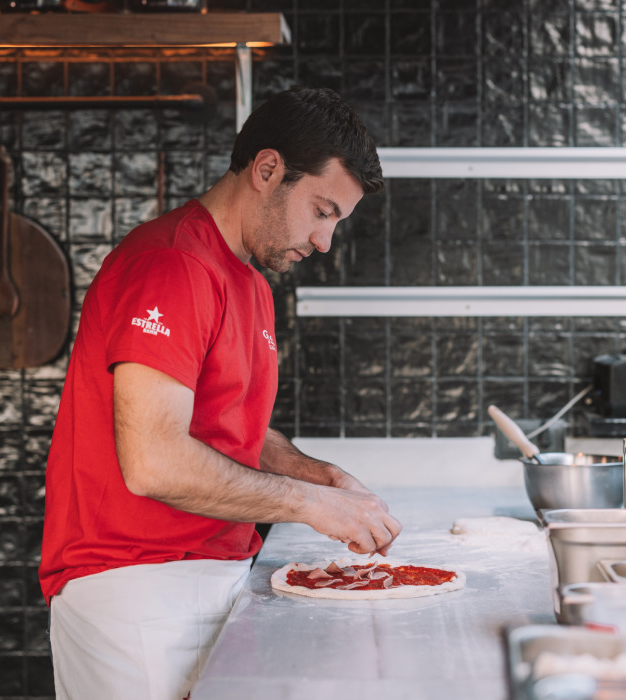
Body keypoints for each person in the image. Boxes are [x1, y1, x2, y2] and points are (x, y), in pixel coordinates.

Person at [39, 86, 401, 700]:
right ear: (267, 170)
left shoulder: (249, 283)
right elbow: (154, 460)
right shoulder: (173, 265)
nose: (324, 242)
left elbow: (225, 428)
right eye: (321, 210)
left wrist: (321, 478)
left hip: (207, 580)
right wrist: (307, 505)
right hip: (136, 593)